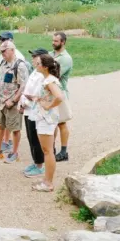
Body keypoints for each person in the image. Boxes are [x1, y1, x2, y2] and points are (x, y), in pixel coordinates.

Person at [0, 40, 28, 163]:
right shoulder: (3, 62)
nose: (2, 53)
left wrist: (14, 100)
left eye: (4, 51)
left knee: (15, 129)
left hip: (12, 103)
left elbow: (23, 86)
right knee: (0, 126)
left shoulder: (19, 65)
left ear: (12, 50)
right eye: (1, 51)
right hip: (1, 102)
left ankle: (14, 153)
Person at [32, 54, 65, 192]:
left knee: (47, 151)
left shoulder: (49, 81)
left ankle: (49, 183)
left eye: (38, 63)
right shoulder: (47, 79)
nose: (36, 65)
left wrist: (48, 106)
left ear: (45, 67)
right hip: (46, 118)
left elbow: (59, 97)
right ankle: (46, 179)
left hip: (47, 119)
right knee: (47, 150)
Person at [20, 49, 48, 178]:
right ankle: (35, 161)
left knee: (36, 138)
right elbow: (26, 89)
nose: (33, 58)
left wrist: (25, 102)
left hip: (34, 109)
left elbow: (36, 93)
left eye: (35, 56)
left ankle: (40, 165)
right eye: (32, 56)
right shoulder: (34, 72)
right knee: (30, 137)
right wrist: (22, 103)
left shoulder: (42, 75)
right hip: (27, 109)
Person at [52, 31, 74, 162]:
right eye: (53, 40)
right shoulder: (51, 54)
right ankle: (51, 149)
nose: (53, 43)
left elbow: (55, 74)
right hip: (52, 93)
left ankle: (64, 151)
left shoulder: (66, 58)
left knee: (61, 122)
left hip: (60, 92)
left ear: (63, 42)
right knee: (52, 123)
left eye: (56, 41)